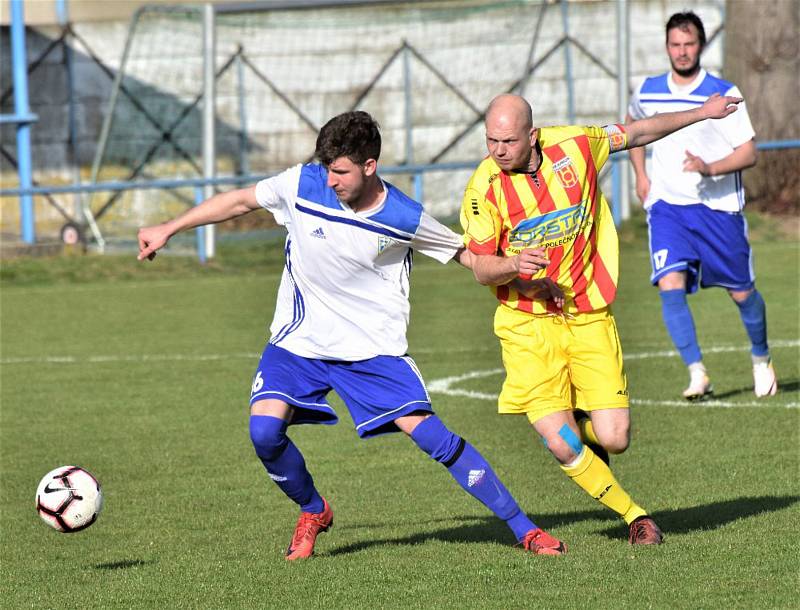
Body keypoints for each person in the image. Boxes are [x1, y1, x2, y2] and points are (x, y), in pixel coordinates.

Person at [137, 110, 566, 559]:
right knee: (264, 433)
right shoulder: (303, 184)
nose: (330, 180)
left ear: (369, 166)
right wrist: (169, 228)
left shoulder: (403, 216)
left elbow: (471, 260)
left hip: (370, 350)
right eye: (326, 168)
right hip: (298, 341)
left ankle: (524, 530)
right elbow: (240, 201)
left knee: (429, 436)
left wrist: (517, 271)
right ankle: (313, 510)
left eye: (339, 171)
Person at [459, 92, 742, 545]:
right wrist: (512, 265)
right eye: (490, 140)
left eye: (508, 140)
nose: (497, 150)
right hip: (525, 326)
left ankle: (580, 422)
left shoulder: (577, 146)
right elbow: (478, 265)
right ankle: (636, 517)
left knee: (615, 438)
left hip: (586, 313)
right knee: (562, 443)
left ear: (532, 135)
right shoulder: (483, 188)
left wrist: (702, 114)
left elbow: (640, 132)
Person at [626, 11, 777, 400]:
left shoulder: (724, 93)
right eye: (675, 44)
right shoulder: (647, 91)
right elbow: (632, 128)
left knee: (742, 293)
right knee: (669, 284)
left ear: (701, 45)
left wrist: (710, 168)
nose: (681, 51)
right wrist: (641, 177)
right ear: (666, 47)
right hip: (667, 208)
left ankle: (761, 358)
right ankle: (697, 373)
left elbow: (749, 152)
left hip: (718, 209)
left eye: (689, 43)